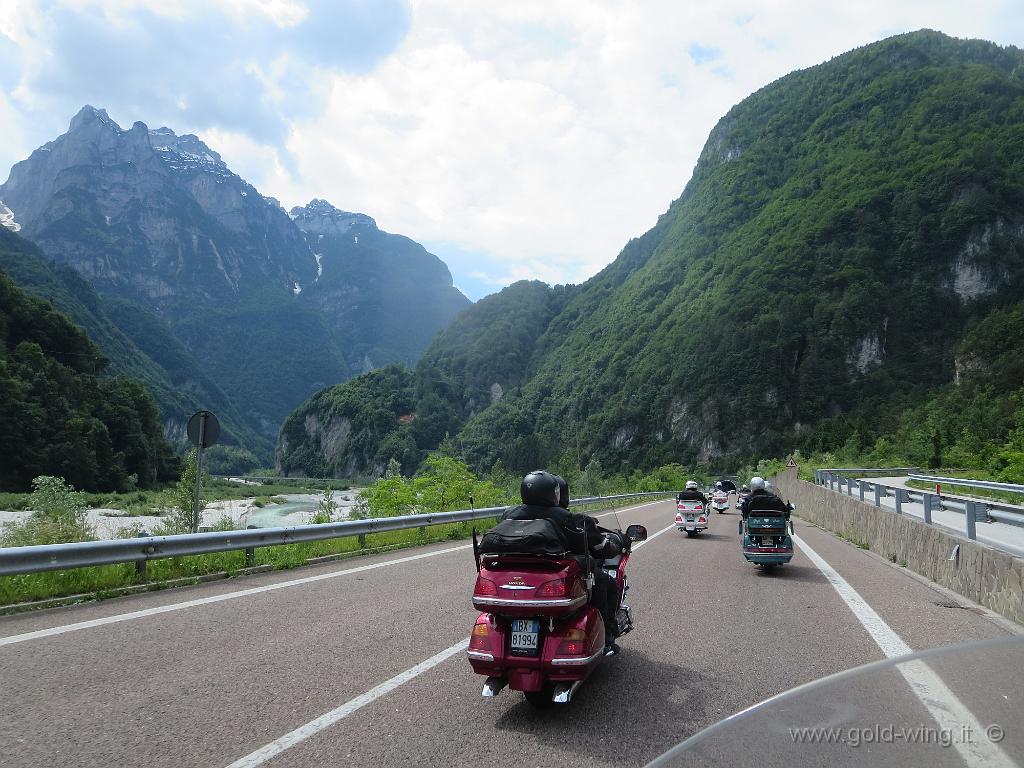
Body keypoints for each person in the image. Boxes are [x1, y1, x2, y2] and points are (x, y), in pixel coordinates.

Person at [500, 471, 622, 654]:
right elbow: (583, 542)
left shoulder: (508, 513)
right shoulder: (561, 517)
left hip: (515, 574)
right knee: (605, 582)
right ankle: (607, 637)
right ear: (552, 493)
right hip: (552, 572)